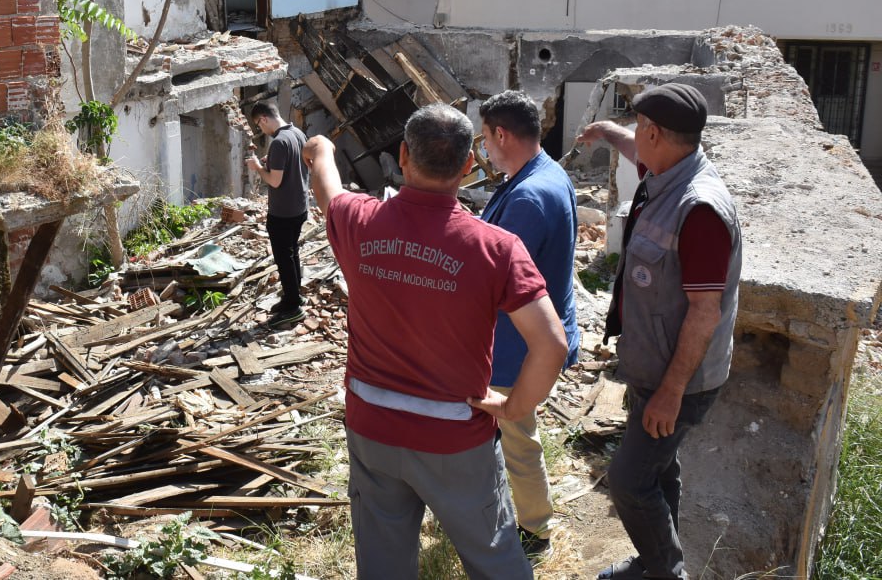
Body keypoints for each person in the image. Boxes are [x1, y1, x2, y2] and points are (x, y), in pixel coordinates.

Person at [304, 103, 568, 580]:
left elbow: (328, 191)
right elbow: (551, 343)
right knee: (495, 560)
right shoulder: (496, 248)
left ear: (403, 155)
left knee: (383, 564)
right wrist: (512, 408)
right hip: (454, 438)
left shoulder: (359, 222)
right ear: (468, 166)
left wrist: (320, 149)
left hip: (373, 426)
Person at [577, 83, 742, 580]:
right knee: (659, 468)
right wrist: (607, 132)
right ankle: (654, 561)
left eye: (636, 127)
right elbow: (634, 149)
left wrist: (670, 392)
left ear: (655, 132)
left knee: (628, 481)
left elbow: (704, 313)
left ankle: (665, 572)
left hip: (681, 380)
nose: (633, 137)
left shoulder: (700, 210)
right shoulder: (669, 166)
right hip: (652, 364)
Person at [478, 90, 581, 561]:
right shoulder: (547, 172)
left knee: (517, 431)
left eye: (485, 139)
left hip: (516, 346)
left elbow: (497, 279)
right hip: (532, 334)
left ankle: (535, 529)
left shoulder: (529, 197)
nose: (483, 150)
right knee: (510, 432)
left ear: (502, 134)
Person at [246, 101, 310, 325]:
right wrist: (269, 162)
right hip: (299, 206)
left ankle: (292, 307)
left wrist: (258, 168)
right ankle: (294, 296)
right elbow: (296, 165)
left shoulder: (279, 143)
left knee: (284, 258)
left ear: (263, 119)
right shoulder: (297, 134)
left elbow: (274, 180)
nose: (261, 130)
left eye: (258, 125)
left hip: (283, 212)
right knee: (293, 253)